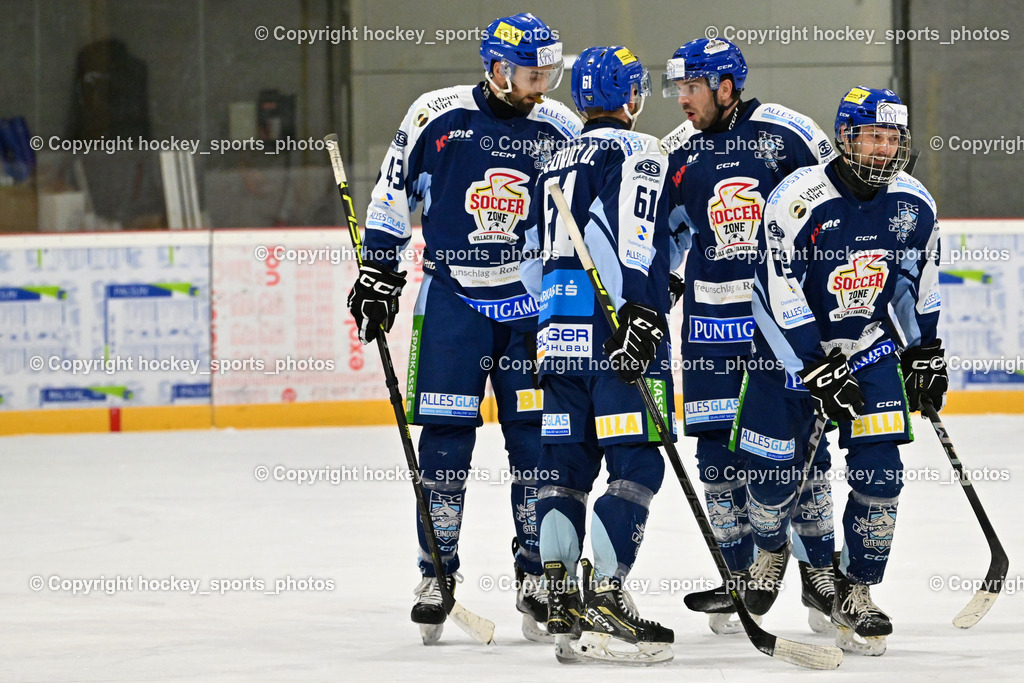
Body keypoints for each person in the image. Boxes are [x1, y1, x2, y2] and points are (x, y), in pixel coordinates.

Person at [346, 12, 581, 645]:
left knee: (537, 447)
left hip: (533, 313)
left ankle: (539, 575)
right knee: (445, 444)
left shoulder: (561, 127)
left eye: (551, 73)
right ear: (498, 68)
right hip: (452, 305)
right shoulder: (436, 116)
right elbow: (392, 197)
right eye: (535, 74)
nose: (545, 85)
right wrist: (379, 273)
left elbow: (584, 222)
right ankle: (436, 573)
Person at [732, 86, 944, 656]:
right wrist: (813, 364)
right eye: (873, 136)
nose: (884, 149)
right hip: (788, 353)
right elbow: (778, 292)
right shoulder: (797, 199)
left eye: (893, 137)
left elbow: (915, 283)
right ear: (846, 136)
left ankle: (855, 588)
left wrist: (924, 351)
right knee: (773, 480)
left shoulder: (913, 203)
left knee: (882, 473)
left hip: (868, 350)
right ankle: (771, 545)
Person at [660, 37, 840, 634]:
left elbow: (835, 222)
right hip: (712, 328)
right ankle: (740, 574)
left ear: (726, 87)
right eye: (679, 88)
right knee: (716, 455)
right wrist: (658, 283)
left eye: (692, 88)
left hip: (784, 330)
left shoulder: (789, 134)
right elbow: (661, 235)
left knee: (800, 451)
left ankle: (820, 573)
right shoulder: (675, 151)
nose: (682, 99)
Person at [521, 45, 675, 665]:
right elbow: (635, 232)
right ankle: (608, 597)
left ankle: (561, 598)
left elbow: (531, 250)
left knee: (564, 467)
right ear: (630, 96)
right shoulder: (641, 150)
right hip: (616, 334)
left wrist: (551, 320)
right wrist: (640, 306)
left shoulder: (554, 158)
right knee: (636, 465)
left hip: (558, 329)